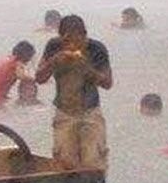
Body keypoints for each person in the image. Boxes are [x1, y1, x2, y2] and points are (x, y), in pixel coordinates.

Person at [35, 15, 113, 171]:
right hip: (64, 112)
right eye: (67, 40)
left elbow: (107, 83)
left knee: (93, 163)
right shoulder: (54, 46)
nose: (72, 45)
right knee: (65, 164)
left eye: (77, 40)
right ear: (60, 37)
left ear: (85, 35)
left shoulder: (97, 49)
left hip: (90, 111)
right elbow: (40, 78)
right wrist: (54, 61)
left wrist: (86, 68)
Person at [0, 41, 37, 111]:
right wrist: (35, 79)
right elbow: (21, 76)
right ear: (27, 56)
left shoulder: (8, 60)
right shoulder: (17, 63)